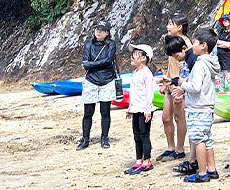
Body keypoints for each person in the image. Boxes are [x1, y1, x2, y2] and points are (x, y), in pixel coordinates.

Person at [180, 28, 221, 182]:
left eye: (195, 42)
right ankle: (212, 169)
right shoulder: (211, 62)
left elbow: (195, 87)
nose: (192, 46)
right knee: (207, 139)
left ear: (203, 45)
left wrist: (183, 84)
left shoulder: (200, 64)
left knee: (199, 140)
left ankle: (202, 173)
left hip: (198, 107)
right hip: (207, 107)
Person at [76, 21, 119, 151]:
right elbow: (87, 62)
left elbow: (108, 61)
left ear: (107, 32)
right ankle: (85, 138)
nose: (98, 32)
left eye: (102, 30)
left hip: (107, 79)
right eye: (97, 29)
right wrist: (91, 65)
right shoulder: (88, 45)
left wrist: (90, 65)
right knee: (88, 112)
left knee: (105, 112)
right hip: (91, 80)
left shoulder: (111, 44)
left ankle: (104, 137)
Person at [157, 13, 191, 162]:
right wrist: (166, 84)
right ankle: (170, 147)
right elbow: (171, 65)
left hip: (180, 86)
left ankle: (180, 149)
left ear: (179, 27)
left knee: (179, 117)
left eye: (171, 24)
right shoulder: (172, 42)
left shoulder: (186, 45)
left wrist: (181, 89)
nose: (168, 27)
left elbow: (187, 69)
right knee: (166, 117)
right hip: (170, 85)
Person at [125, 44, 155, 174]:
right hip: (136, 109)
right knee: (136, 135)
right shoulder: (135, 72)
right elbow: (134, 93)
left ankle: (147, 161)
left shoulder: (147, 73)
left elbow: (149, 93)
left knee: (144, 135)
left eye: (136, 54)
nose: (132, 56)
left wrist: (147, 110)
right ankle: (138, 160)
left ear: (144, 58)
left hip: (144, 110)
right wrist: (130, 108)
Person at [215, 14, 230, 92]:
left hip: (228, 58)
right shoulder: (222, 31)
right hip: (220, 58)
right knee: (220, 77)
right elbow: (217, 42)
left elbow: (229, 45)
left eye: (226, 20)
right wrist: (224, 44)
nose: (224, 22)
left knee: (229, 77)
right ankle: (221, 92)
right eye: (223, 20)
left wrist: (220, 43)